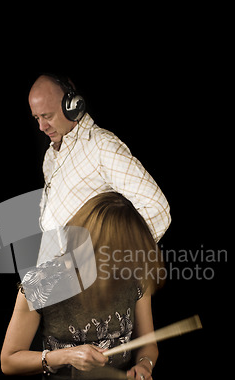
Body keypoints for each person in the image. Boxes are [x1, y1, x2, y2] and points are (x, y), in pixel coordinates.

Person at [0, 192, 165, 380]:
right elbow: (9, 360)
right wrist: (66, 356)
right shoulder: (44, 282)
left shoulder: (134, 275)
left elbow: (148, 344)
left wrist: (144, 366)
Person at [28, 74, 171, 267]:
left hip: (96, 287)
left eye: (47, 116)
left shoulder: (101, 146)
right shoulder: (50, 157)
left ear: (72, 105)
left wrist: (111, 262)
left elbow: (157, 209)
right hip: (59, 283)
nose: (41, 127)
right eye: (37, 118)